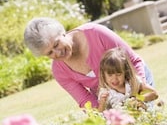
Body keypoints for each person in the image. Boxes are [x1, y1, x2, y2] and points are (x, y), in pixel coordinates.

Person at [24, 17, 154, 109]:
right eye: (49, 53)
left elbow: (133, 61)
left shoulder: (96, 33)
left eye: (56, 44)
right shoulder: (59, 71)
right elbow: (86, 101)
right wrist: (105, 119)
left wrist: (137, 92)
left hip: (135, 80)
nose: (57, 53)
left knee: (145, 121)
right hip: (109, 98)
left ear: (62, 32)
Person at [98, 47, 158, 112]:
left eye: (118, 74)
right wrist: (102, 103)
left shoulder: (132, 83)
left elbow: (154, 93)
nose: (114, 79)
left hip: (141, 118)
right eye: (110, 75)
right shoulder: (105, 93)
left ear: (125, 72)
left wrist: (139, 99)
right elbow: (100, 114)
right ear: (103, 75)